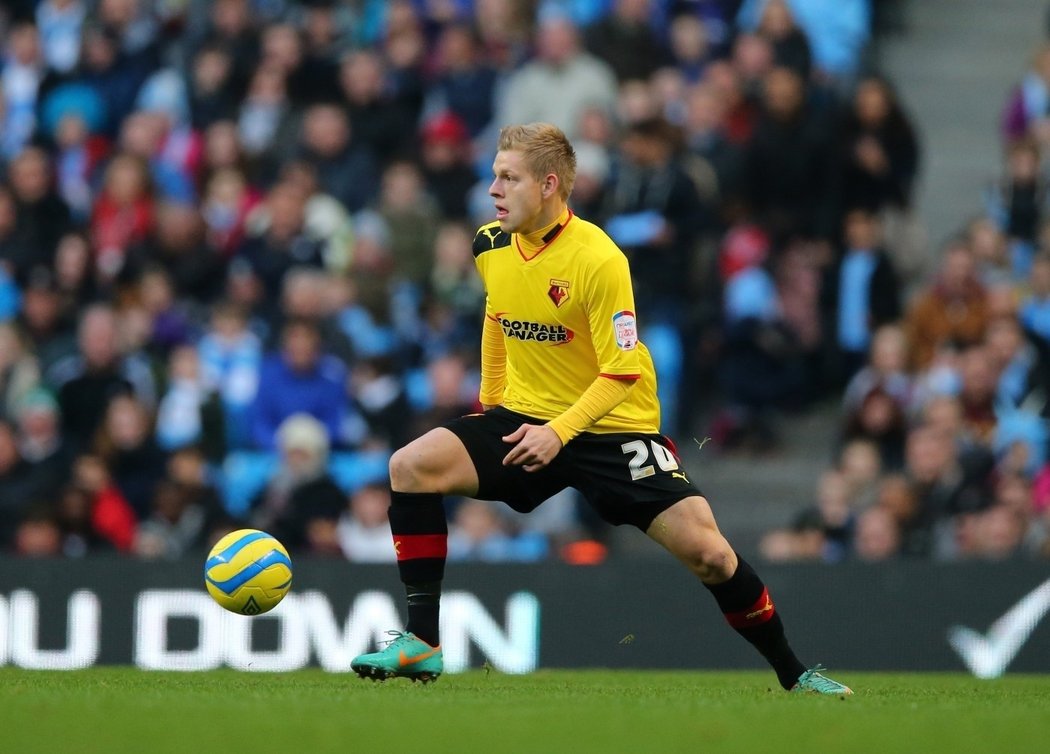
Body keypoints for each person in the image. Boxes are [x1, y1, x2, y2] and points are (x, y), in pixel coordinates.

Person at [350, 122, 851, 695]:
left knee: (711, 555)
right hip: (527, 416)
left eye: (508, 178)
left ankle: (794, 672)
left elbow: (622, 371)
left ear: (548, 185)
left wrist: (559, 434)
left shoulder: (599, 260)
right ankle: (422, 643)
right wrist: (491, 402)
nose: (493, 189)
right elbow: (497, 313)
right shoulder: (489, 243)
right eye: (494, 176)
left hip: (612, 427)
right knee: (409, 467)